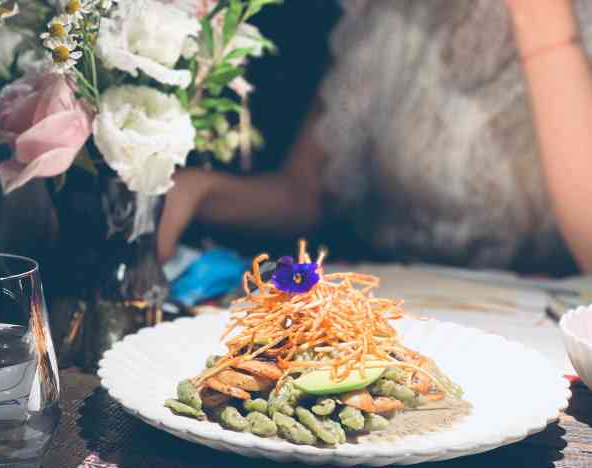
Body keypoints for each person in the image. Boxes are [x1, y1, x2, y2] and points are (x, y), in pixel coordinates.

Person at [159, 0, 592, 275]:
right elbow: (307, 191)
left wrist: (543, 23)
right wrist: (201, 191)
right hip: (399, 313)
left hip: (540, 340)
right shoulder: (387, 14)